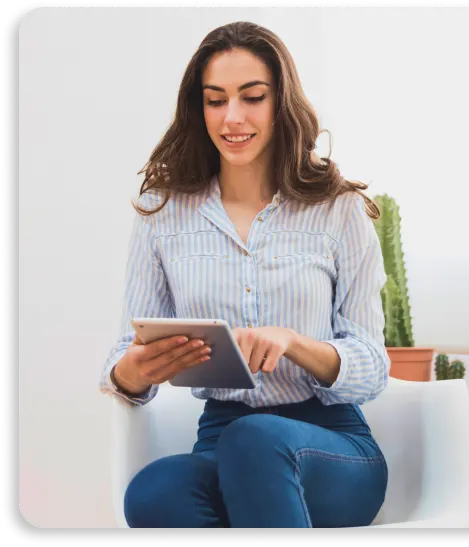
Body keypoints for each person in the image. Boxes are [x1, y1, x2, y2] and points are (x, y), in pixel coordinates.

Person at [99, 20, 390, 529]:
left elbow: (372, 366)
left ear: (281, 102)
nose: (232, 117)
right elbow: (125, 356)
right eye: (215, 100)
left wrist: (294, 342)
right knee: (154, 491)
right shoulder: (162, 213)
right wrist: (134, 370)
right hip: (222, 437)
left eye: (251, 96)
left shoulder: (337, 209)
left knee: (255, 441)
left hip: (331, 446)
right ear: (199, 108)